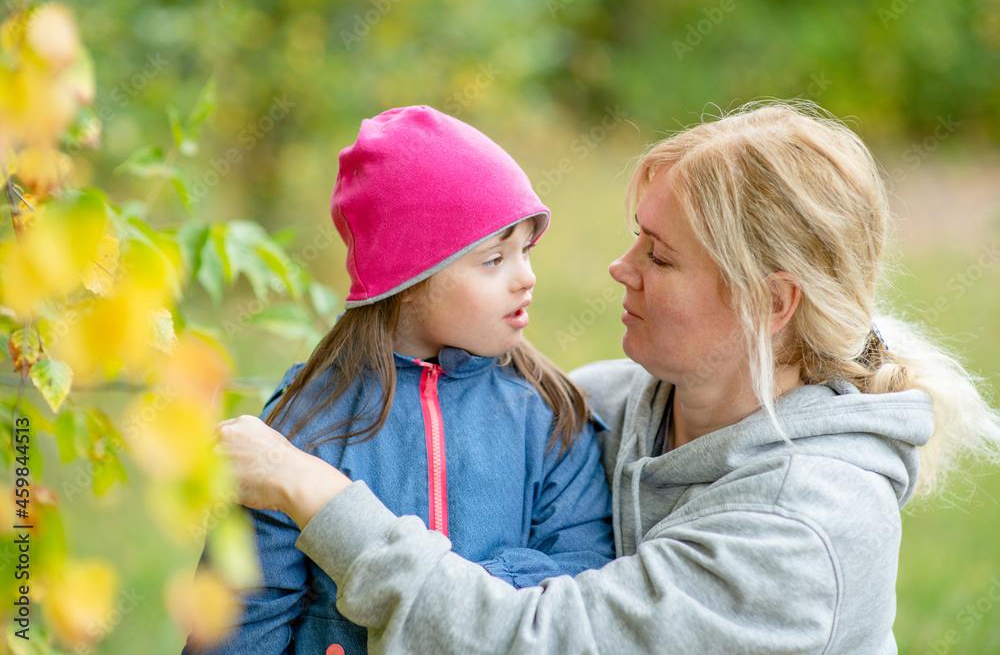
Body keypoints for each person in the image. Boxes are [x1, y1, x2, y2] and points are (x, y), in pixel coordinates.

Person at [216, 101, 1000, 653]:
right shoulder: (603, 407)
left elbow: (540, 642)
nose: (620, 268)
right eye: (636, 239)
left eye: (659, 256)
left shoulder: (807, 531)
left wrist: (315, 494)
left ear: (770, 301)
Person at [187, 106, 615, 654]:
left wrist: (450, 585)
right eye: (493, 259)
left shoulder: (550, 413)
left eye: (526, 250)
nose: (526, 277)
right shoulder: (303, 427)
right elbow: (239, 620)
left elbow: (582, 583)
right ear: (408, 281)